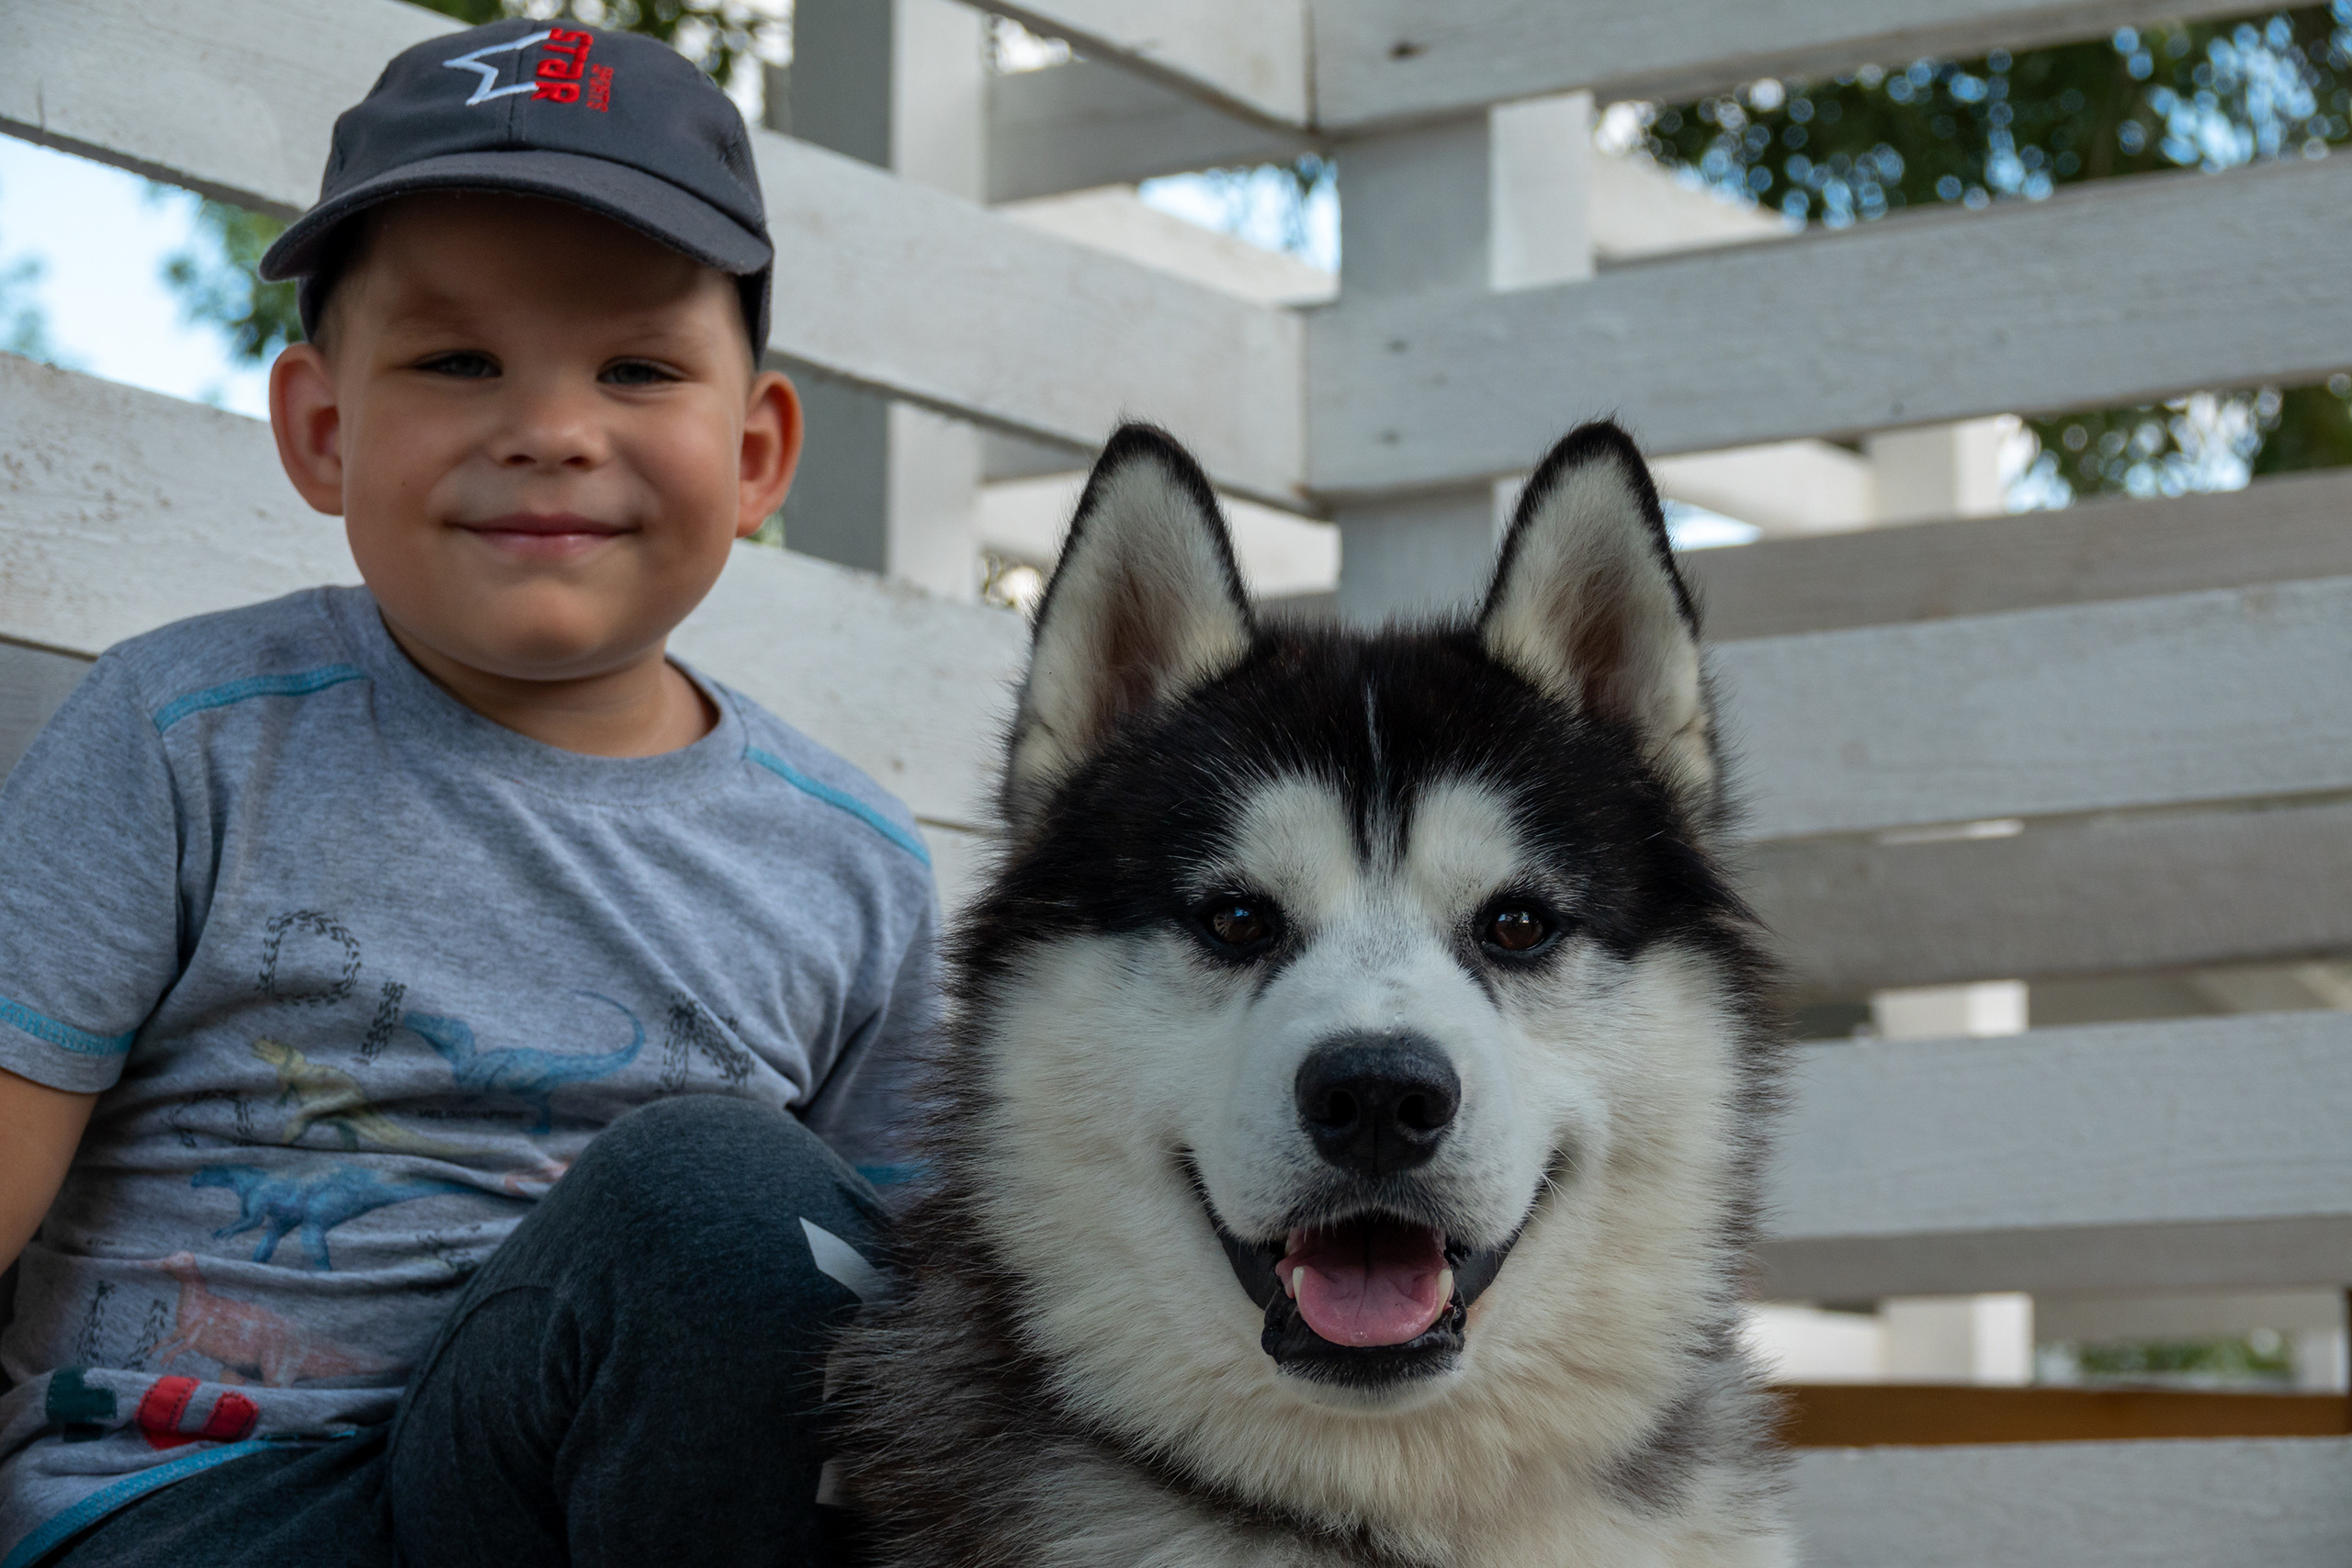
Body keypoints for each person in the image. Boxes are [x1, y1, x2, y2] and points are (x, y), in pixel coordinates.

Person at [0, 20, 937, 1567]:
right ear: (321, 427)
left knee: (730, 1203)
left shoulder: (850, 866)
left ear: (758, 450)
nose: (552, 430)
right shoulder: (186, 739)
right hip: (200, 1507)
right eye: (456, 361)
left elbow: (901, 1323)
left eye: (637, 367)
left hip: (607, 1511)